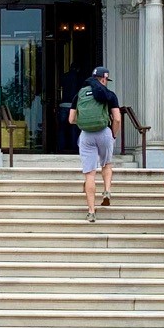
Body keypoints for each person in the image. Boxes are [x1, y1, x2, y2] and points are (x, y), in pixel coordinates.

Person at [68, 66, 121, 222]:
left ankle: (91, 212)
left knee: (90, 174)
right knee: (107, 164)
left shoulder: (80, 94)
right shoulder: (109, 95)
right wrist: (113, 134)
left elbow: (71, 120)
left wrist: (84, 122)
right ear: (104, 79)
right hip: (104, 132)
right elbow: (117, 119)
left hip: (86, 135)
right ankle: (107, 191)